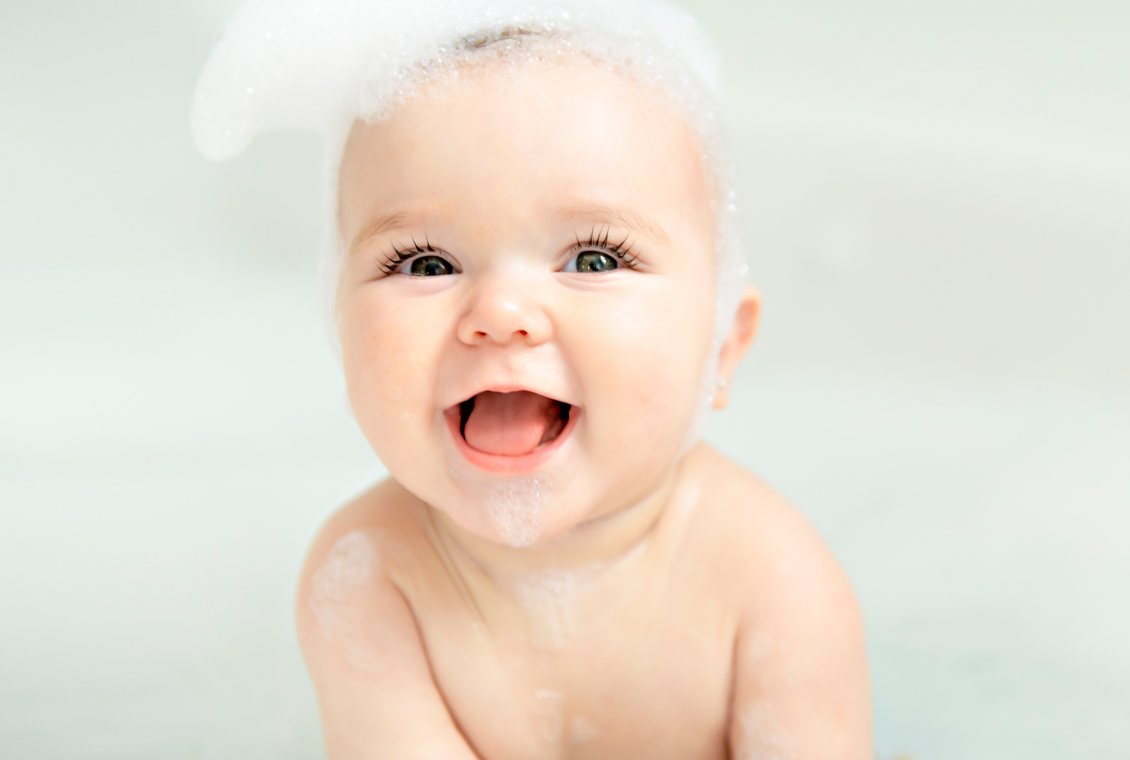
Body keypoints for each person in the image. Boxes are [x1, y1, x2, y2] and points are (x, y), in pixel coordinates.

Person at [191, 2, 872, 757]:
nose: (502, 313)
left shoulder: (770, 583)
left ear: (721, 348)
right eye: (425, 263)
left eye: (593, 259)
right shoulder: (366, 574)